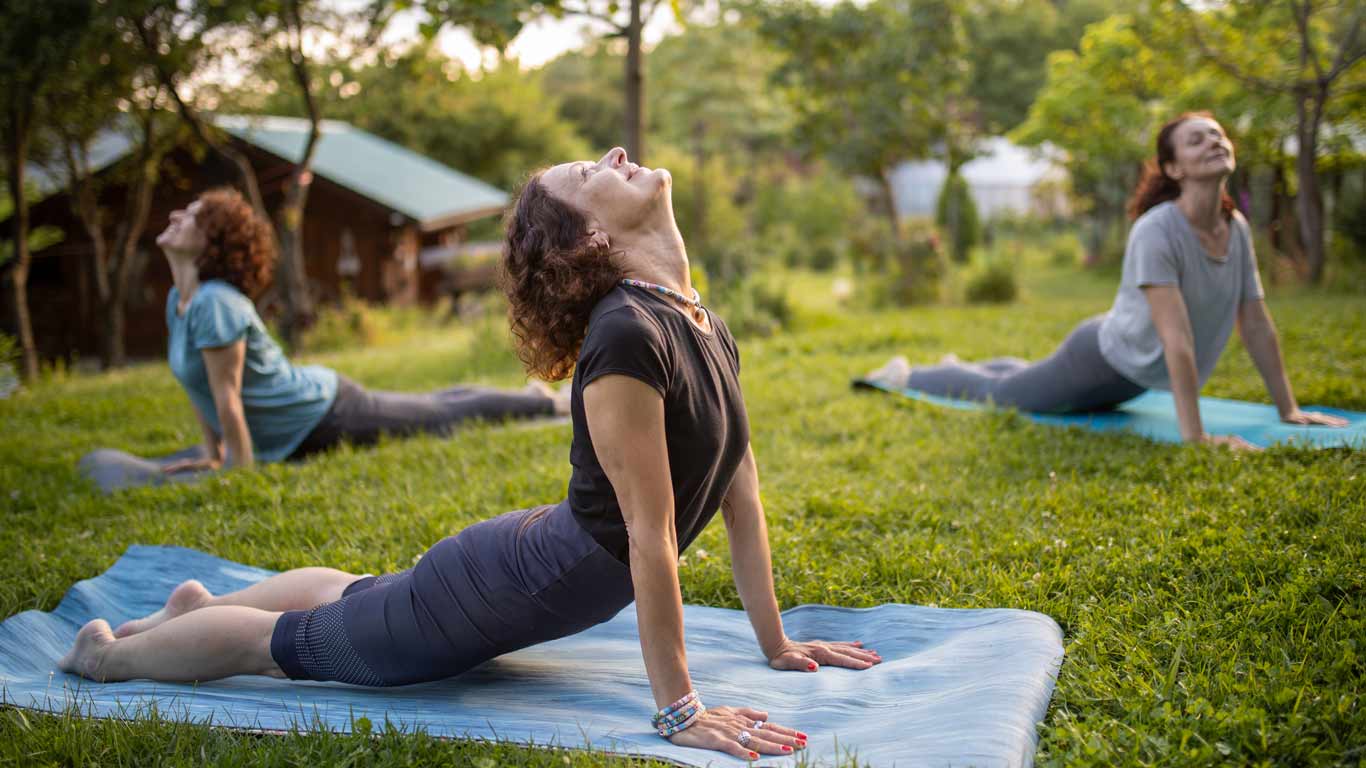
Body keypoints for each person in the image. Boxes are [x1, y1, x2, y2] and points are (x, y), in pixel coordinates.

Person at [60, 149, 879, 759]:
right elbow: (650, 537)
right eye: (591, 171)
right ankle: (111, 656)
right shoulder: (627, 335)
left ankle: (197, 605)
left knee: (354, 594)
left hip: (518, 561)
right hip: (490, 589)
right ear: (592, 236)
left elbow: (741, 493)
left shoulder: (701, 324)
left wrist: (775, 643)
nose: (617, 155)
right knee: (283, 649)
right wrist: (680, 709)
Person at [865, 112, 1347, 449]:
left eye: (1218, 135)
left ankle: (963, 365)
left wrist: (1288, 409)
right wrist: (1196, 438)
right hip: (1104, 359)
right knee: (1007, 395)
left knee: (1027, 378)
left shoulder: (1235, 228)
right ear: (1174, 168)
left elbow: (1256, 322)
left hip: (1132, 369)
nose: (1214, 142)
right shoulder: (1158, 230)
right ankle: (907, 374)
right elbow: (1176, 337)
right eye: (1197, 140)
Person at [152, 188, 564, 473]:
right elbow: (200, 387)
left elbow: (227, 396)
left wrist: (236, 469)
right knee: (435, 403)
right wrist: (213, 453)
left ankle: (544, 405)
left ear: (212, 241)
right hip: (308, 407)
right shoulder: (180, 301)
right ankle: (531, 398)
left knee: (439, 413)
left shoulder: (216, 303)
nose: (175, 216)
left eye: (191, 216)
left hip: (322, 413)